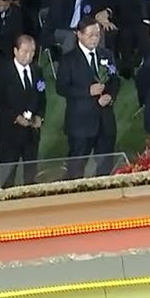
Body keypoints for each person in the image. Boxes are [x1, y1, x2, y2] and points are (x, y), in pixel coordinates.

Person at [56, 18, 122, 178]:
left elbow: (115, 80)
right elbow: (61, 88)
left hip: (105, 122)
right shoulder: (69, 59)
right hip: (81, 123)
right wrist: (87, 91)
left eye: (97, 35)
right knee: (76, 168)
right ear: (79, 35)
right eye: (90, 35)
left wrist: (110, 96)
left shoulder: (106, 55)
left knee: (105, 168)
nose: (95, 39)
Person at [0, 35, 46, 186]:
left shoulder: (37, 71)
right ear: (15, 51)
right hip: (9, 135)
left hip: (31, 135)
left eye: (32, 51)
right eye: (25, 51)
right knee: (8, 178)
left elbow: (42, 97)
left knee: (31, 177)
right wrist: (15, 117)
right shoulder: (3, 72)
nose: (29, 55)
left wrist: (40, 116)